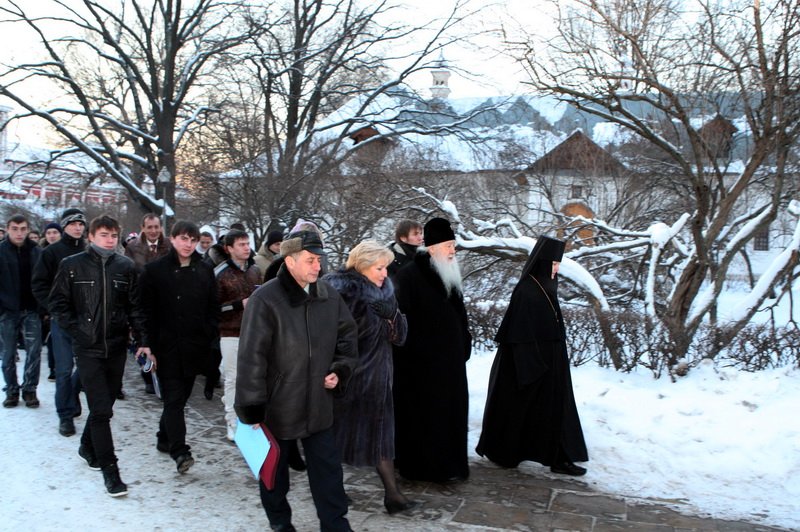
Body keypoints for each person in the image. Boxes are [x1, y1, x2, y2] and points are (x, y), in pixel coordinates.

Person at [235, 230, 358, 532]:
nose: (318, 266)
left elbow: (347, 338)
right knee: (275, 473)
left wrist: (340, 369)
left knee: (328, 471)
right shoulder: (266, 299)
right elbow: (251, 357)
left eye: (319, 260)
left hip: (319, 404)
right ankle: (280, 522)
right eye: (310, 260)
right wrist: (252, 408)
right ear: (290, 261)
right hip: (278, 406)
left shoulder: (329, 296)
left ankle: (336, 524)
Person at [49, 215, 149, 497]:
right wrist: (78, 330)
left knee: (105, 405)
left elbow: (135, 308)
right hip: (87, 348)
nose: (110, 240)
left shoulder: (125, 267)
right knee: (102, 411)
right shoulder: (72, 265)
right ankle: (110, 470)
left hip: (116, 347)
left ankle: (86, 446)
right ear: (91, 236)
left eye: (114, 235)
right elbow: (57, 304)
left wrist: (142, 340)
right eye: (104, 234)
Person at [476, 236, 588, 476]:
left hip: (548, 364)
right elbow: (518, 334)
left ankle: (558, 458)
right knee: (520, 413)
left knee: (554, 411)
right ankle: (506, 453)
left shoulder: (546, 287)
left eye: (558, 264)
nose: (557, 269)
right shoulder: (527, 290)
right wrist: (535, 365)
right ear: (543, 263)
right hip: (527, 366)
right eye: (554, 264)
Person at [323, 240, 417, 514]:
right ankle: (334, 491)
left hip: (379, 378)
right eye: (379, 268)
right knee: (337, 437)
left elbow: (400, 337)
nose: (385, 274)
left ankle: (393, 496)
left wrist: (393, 316)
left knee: (380, 436)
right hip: (348, 378)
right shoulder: (339, 293)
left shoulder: (385, 292)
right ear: (362, 266)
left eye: (386, 267)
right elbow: (327, 337)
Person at [392, 217, 471, 482]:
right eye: (448, 246)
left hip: (451, 365)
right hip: (421, 368)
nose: (452, 251)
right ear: (433, 247)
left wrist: (464, 342)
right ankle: (424, 468)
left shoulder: (449, 272)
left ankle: (450, 466)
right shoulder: (409, 276)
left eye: (453, 246)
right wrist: (420, 352)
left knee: (450, 416)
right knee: (426, 419)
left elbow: (459, 314)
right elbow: (401, 324)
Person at [138, 220, 219, 473]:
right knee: (173, 399)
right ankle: (180, 451)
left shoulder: (205, 269)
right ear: (172, 239)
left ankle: (164, 437)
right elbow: (144, 311)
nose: (188, 244)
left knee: (181, 398)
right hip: (166, 347)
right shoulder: (154, 270)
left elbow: (212, 307)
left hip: (195, 346)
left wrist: (209, 335)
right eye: (184, 238)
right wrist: (146, 343)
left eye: (193, 240)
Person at [31, 207, 87, 435]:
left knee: (86, 366)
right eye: (73, 224)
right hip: (61, 319)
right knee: (63, 369)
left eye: (81, 224)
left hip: (86, 319)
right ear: (64, 226)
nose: (78, 228)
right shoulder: (51, 252)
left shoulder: (89, 250)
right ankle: (65, 415)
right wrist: (53, 307)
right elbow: (39, 284)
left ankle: (71, 394)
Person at [214, 229, 261, 441]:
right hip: (229, 332)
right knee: (233, 378)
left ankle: (249, 417)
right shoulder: (220, 273)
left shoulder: (254, 270)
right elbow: (212, 308)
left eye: (247, 243)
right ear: (229, 248)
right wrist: (238, 305)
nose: (246, 248)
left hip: (253, 332)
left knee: (250, 378)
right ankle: (231, 421)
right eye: (241, 244)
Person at [124, 213, 170, 395]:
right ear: (143, 228)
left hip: (164, 300)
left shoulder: (168, 245)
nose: (153, 231)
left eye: (156, 227)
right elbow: (128, 273)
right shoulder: (133, 248)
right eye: (149, 227)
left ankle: (162, 376)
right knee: (143, 339)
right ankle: (148, 375)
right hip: (141, 300)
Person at [1, 214, 43, 408]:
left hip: (31, 309)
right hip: (7, 310)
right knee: (8, 353)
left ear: (28, 230)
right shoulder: (1, 251)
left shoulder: (36, 252)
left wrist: (42, 306)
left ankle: (29, 389)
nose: (19, 233)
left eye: (23, 229)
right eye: (15, 229)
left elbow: (43, 281)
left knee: (34, 352)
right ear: (8, 229)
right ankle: (11, 390)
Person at [40, 221, 62, 381]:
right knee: (52, 338)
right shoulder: (42, 253)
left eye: (55, 232)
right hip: (49, 303)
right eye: (48, 233)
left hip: (63, 301)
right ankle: (53, 368)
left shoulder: (64, 252)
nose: (52, 236)